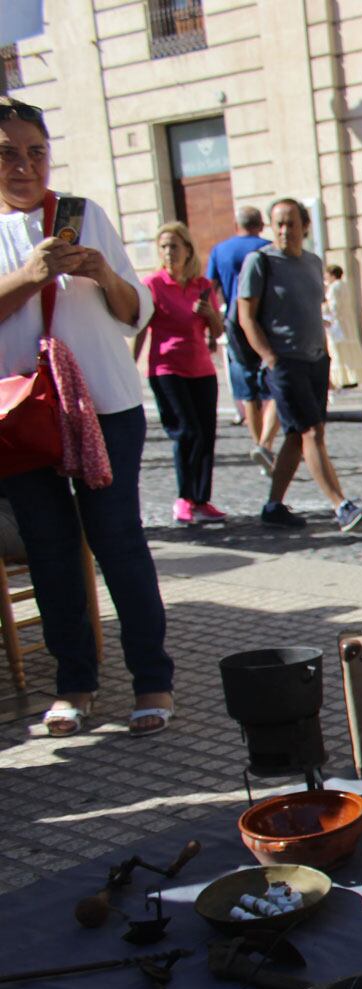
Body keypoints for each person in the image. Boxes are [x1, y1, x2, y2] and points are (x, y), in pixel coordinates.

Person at [0, 98, 175, 736]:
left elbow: (137, 312)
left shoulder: (83, 214)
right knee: (49, 552)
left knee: (119, 544)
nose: (25, 165)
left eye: (36, 151)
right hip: (23, 416)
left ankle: (153, 680)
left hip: (104, 403)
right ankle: (74, 684)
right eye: (8, 153)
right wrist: (28, 276)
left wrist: (102, 271)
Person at [238, 198, 362, 532]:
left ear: (304, 226)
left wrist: (324, 356)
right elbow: (246, 316)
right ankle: (340, 505)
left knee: (296, 435)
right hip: (285, 361)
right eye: (278, 223)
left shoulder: (312, 262)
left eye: (291, 223)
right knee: (312, 431)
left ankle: (273, 506)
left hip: (315, 359)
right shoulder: (259, 262)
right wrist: (269, 357)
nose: (284, 230)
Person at [134, 220, 225, 524]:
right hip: (166, 369)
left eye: (174, 245)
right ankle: (184, 498)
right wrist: (128, 366)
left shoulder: (202, 286)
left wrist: (210, 314)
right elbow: (141, 328)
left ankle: (202, 499)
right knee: (187, 431)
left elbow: (218, 329)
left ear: (187, 249)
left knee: (206, 434)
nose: (168, 252)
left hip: (201, 369)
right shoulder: (153, 285)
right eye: (163, 246)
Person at [205, 205, 275, 466]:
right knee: (274, 378)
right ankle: (268, 441)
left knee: (248, 387)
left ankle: (258, 443)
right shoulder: (268, 247)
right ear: (261, 224)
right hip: (266, 321)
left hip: (235, 320)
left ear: (236, 226)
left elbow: (209, 288)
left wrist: (212, 327)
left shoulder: (220, 250)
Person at [322, 263, 362, 393]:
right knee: (348, 351)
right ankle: (352, 377)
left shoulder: (334, 288)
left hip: (337, 323)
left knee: (338, 351)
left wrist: (324, 308)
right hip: (346, 322)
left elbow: (333, 307)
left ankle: (343, 379)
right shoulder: (344, 285)